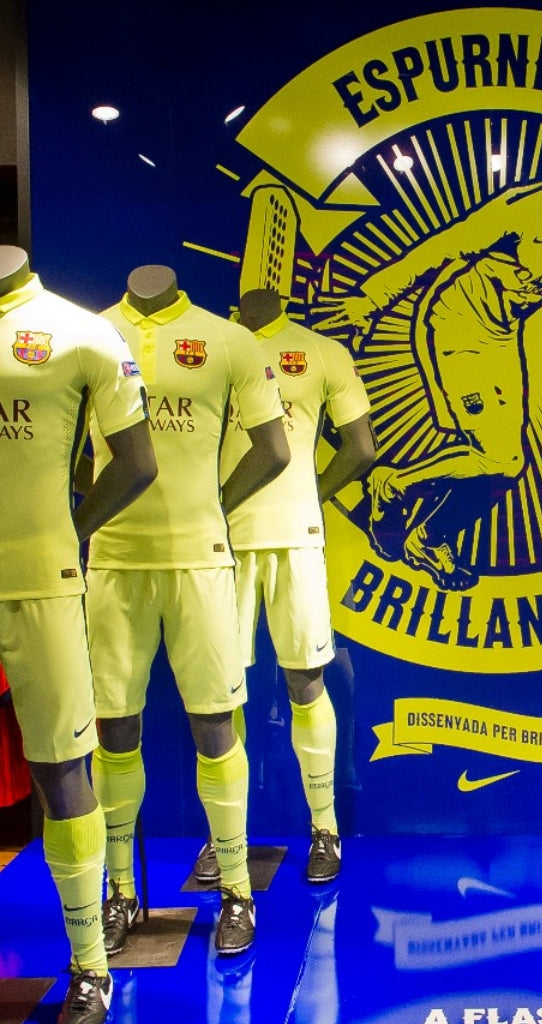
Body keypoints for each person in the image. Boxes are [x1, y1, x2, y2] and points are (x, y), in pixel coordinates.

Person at [315, 114, 542, 589]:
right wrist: (371, 299)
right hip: (455, 326)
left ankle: (424, 529)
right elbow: (441, 249)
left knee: (505, 465)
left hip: (501, 336)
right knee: (500, 460)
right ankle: (394, 489)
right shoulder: (525, 207)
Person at [88, 266, 289, 959]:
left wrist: (215, 505)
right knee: (117, 727)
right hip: (116, 560)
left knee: (212, 724)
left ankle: (235, 890)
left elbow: (275, 448)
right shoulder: (91, 334)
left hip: (197, 561)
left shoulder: (227, 340)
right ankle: (121, 891)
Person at [0, 245, 157, 1024]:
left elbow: (138, 461)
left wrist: (72, 529)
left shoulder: (79, 332)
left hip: (41, 582)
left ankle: (90, 967)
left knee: (64, 772)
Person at [191, 288, 375, 887]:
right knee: (228, 693)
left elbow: (362, 447)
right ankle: (233, 839)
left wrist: (312, 493)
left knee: (298, 682)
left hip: (280, 536)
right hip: (226, 539)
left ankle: (322, 828)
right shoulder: (212, 347)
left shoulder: (318, 352)